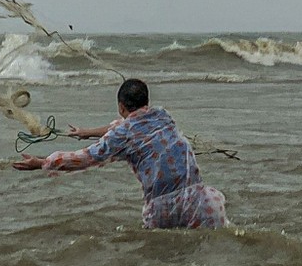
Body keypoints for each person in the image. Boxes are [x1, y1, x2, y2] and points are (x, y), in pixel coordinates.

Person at [15, 77, 227, 229]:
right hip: (203, 203)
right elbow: (125, 127)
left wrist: (43, 162)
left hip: (165, 210)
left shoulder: (123, 133)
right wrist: (86, 133)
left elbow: (86, 158)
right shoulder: (162, 115)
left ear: (121, 106)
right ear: (147, 101)